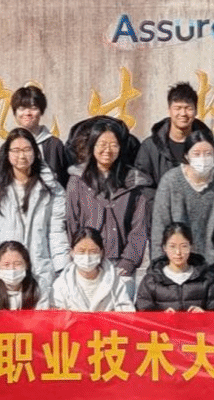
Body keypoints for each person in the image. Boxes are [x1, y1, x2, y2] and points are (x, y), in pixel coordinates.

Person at [0, 127, 72, 290]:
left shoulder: (52, 188)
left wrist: (61, 269)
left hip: (41, 270)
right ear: (7, 154)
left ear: (35, 152)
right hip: (7, 272)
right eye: (16, 150)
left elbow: (56, 231)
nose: (22, 156)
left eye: (27, 150)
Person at [65, 118, 152, 288]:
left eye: (113, 145)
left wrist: (128, 262)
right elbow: (71, 223)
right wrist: (81, 257)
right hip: (87, 263)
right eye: (102, 144)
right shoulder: (78, 181)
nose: (107, 150)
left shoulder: (133, 183)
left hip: (121, 266)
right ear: (92, 146)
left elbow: (139, 229)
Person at [151, 136, 214, 288]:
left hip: (210, 265)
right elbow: (159, 226)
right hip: (175, 262)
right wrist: (159, 267)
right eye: (196, 154)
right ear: (186, 155)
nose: (203, 159)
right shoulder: (170, 181)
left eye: (208, 154)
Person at [135, 82, 214, 186]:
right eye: (177, 108)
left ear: (196, 111)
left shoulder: (209, 147)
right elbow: (142, 184)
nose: (183, 114)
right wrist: (163, 196)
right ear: (169, 110)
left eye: (188, 108)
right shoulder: (150, 147)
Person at [135, 222, 214, 312]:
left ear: (191, 247)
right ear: (164, 248)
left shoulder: (206, 278)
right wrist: (161, 316)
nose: (178, 252)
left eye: (184, 246)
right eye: (172, 246)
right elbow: (142, 312)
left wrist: (204, 315)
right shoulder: (151, 280)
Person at [50, 228, 136, 311]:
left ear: (101, 252)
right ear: (72, 252)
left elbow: (126, 313)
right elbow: (57, 317)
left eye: (93, 251)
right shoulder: (61, 285)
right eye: (81, 251)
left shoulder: (115, 283)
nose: (87, 257)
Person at [11, 85, 71, 186]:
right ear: (15, 112)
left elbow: (65, 180)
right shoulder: (9, 145)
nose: (27, 113)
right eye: (22, 108)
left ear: (41, 111)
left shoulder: (55, 145)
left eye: (33, 108)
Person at [0, 240, 48, 310]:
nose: (12, 269)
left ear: (26, 265)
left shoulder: (38, 286)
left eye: (17, 264)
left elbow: (43, 313)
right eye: (6, 264)